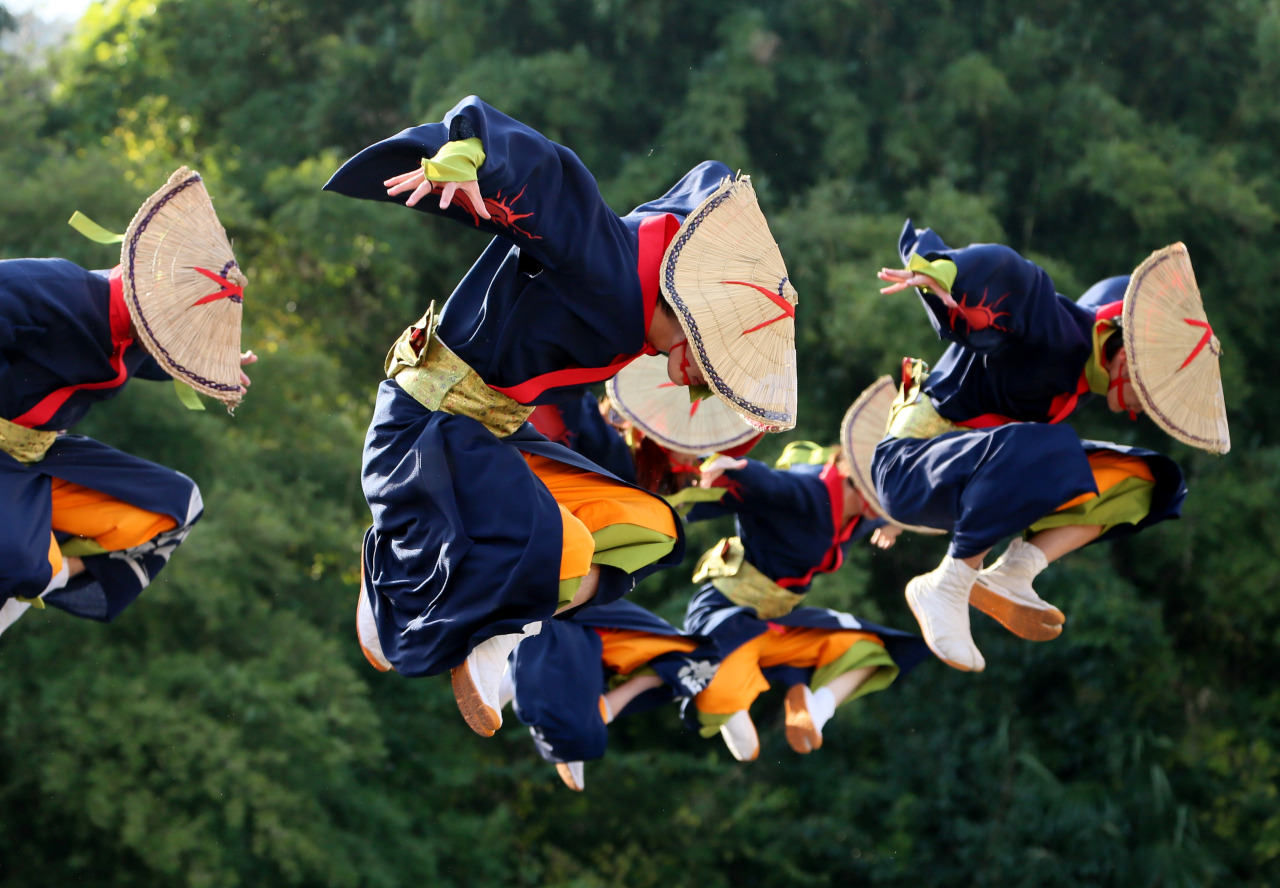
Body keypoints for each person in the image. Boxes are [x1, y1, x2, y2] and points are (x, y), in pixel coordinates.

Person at [323, 96, 798, 737]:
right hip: (424, 431)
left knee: (647, 530)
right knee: (563, 548)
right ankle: (406, 578)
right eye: (712, 365)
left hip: (489, 437)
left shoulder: (638, 304)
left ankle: (489, 626)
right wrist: (467, 157)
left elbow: (710, 182)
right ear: (692, 314)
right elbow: (547, 173)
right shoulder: (611, 264)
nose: (700, 383)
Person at [873, 222, 1225, 672]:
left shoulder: (1077, 378)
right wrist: (946, 273)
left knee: (1148, 479)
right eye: (1150, 389)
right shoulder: (1057, 331)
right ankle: (947, 583)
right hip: (908, 464)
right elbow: (1016, 277)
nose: (1144, 407)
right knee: (1052, 447)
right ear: (1125, 351)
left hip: (971, 476)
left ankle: (1013, 573)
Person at [0, 167, 254, 637]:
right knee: (17, 558)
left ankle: (47, 563)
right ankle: (34, 558)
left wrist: (215, 361)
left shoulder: (139, 335)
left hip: (38, 455)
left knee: (174, 506)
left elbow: (140, 358)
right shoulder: (53, 290)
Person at [681, 403, 933, 760]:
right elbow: (760, 479)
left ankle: (816, 708)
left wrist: (892, 523)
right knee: (715, 695)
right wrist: (724, 465)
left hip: (778, 625)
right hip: (726, 616)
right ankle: (731, 694)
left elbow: (896, 513)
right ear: (854, 474)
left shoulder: (861, 512)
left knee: (872, 649)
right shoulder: (802, 492)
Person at [506, 597, 719, 792]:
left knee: (694, 666)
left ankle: (572, 736)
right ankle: (569, 739)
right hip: (570, 627)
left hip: (595, 632)